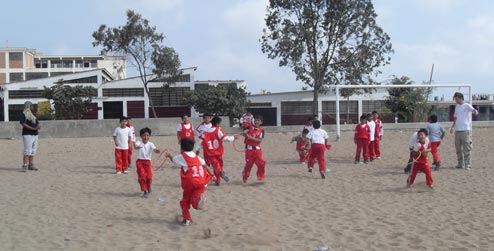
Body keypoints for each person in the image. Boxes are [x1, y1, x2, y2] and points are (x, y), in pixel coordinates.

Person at [164, 138, 213, 226]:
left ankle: (187, 219)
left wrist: (169, 155)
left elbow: (174, 160)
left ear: (181, 148)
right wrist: (211, 175)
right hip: (201, 182)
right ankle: (196, 204)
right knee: (191, 200)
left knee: (185, 202)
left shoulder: (183, 157)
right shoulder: (196, 157)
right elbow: (205, 164)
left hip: (190, 183)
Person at [200, 117, 238, 185]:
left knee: (215, 165)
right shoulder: (218, 130)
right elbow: (226, 139)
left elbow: (200, 142)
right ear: (217, 124)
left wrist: (197, 149)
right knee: (218, 165)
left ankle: (218, 178)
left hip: (210, 153)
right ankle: (219, 175)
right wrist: (233, 137)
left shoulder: (205, 132)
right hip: (218, 152)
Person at [450, 92, 479, 170]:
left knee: (467, 148)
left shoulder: (467, 105)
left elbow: (474, 110)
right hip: (458, 130)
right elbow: (455, 118)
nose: (456, 100)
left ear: (460, 98)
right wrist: (452, 127)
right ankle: (460, 163)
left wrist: (475, 112)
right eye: (455, 99)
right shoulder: (457, 107)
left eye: (456, 99)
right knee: (458, 148)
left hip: (466, 130)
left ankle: (468, 164)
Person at [134, 127, 160, 198]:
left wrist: (157, 150)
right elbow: (135, 146)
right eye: (144, 135)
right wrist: (136, 146)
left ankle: (148, 187)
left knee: (149, 177)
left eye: (147, 135)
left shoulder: (151, 144)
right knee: (142, 176)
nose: (146, 137)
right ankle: (145, 190)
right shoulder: (139, 142)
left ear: (149, 136)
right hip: (139, 162)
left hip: (148, 162)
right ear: (141, 136)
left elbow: (154, 149)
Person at [242, 115, 266, 183]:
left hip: (257, 150)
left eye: (258, 120)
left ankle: (260, 176)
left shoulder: (262, 130)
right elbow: (243, 132)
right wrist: (245, 134)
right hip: (249, 150)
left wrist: (251, 138)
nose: (256, 122)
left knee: (261, 163)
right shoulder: (249, 127)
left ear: (261, 122)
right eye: (255, 120)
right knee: (249, 164)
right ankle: (245, 176)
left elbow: (260, 140)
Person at [19, 101, 41, 172]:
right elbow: (23, 124)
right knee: (27, 150)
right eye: (31, 106)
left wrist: (37, 127)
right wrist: (33, 128)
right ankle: (25, 165)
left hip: (35, 134)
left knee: (33, 150)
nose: (32, 107)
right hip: (27, 134)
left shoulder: (33, 115)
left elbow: (37, 123)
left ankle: (31, 165)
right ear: (28, 106)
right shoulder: (23, 114)